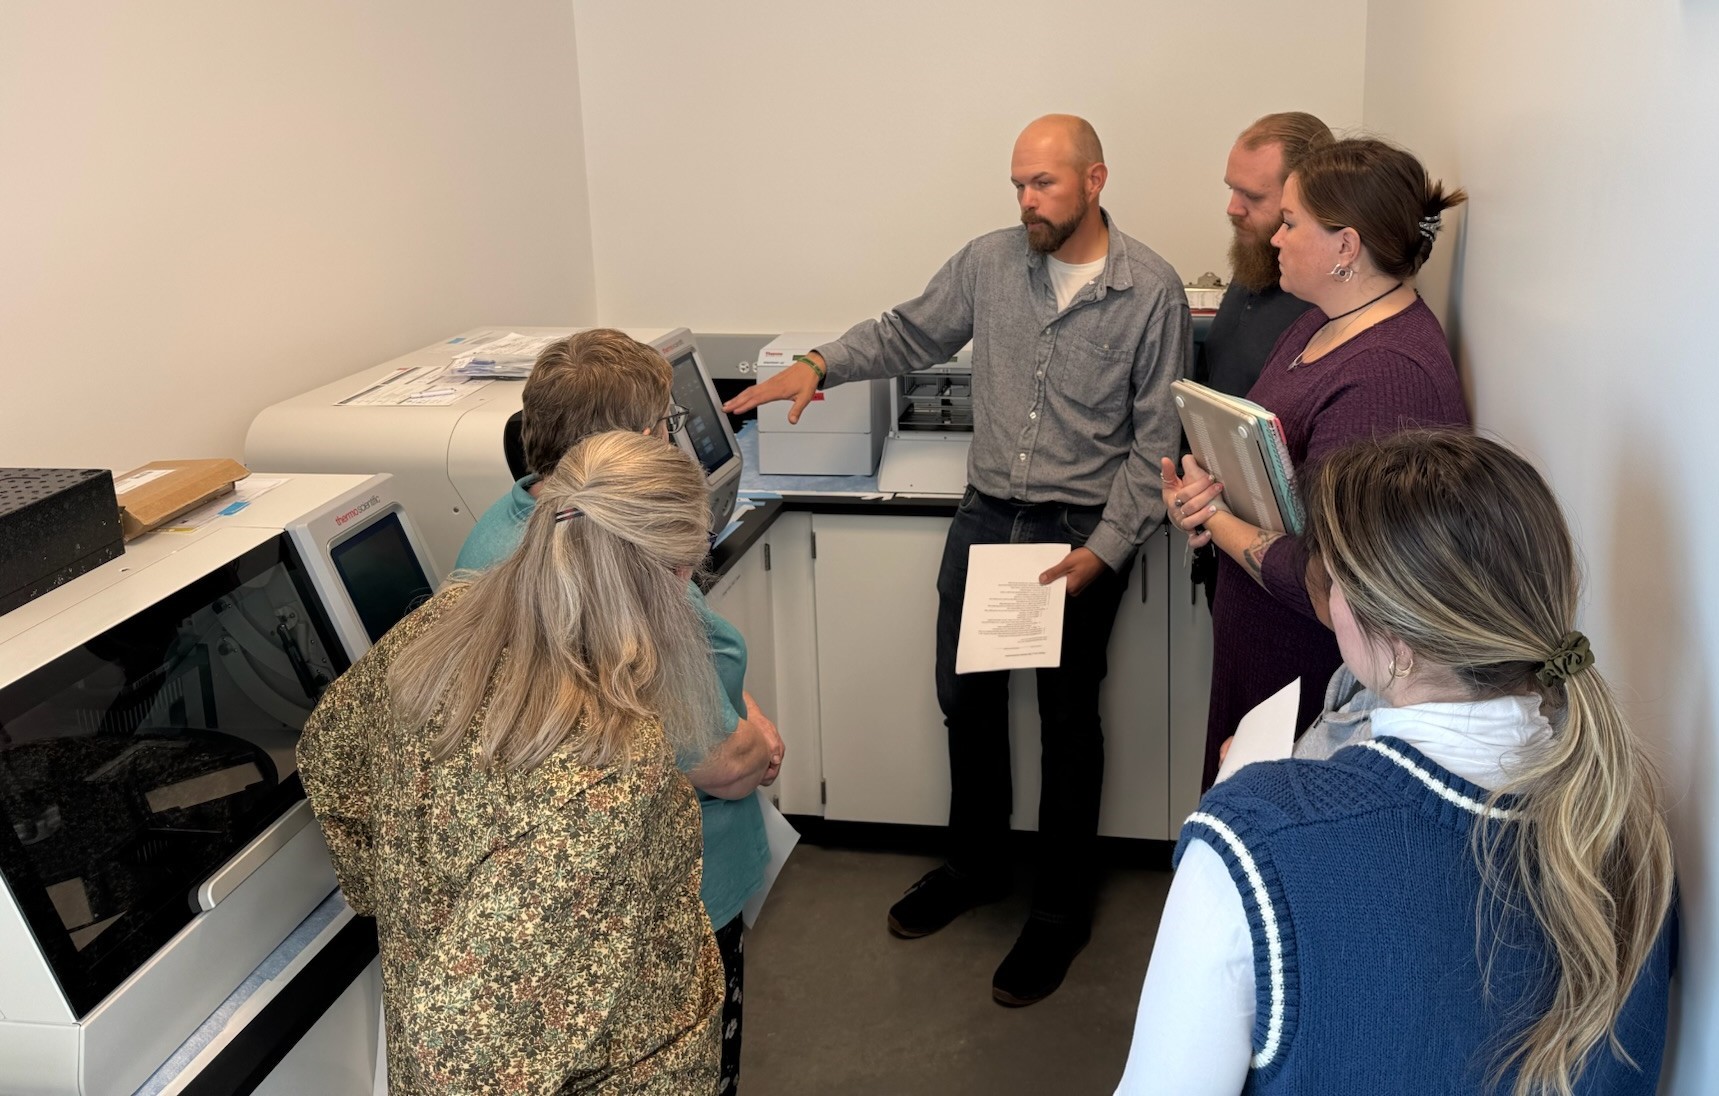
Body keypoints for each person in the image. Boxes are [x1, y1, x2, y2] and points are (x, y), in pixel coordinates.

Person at [724, 114, 1188, 1005]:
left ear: (1095, 180)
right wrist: (818, 363)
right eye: (1017, 183)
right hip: (988, 519)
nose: (1026, 201)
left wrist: (1108, 548)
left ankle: (1058, 908)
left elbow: (1152, 441)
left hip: (1077, 532)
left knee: (1065, 721)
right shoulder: (988, 262)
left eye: (1043, 184)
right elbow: (906, 335)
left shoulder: (1151, 291)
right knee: (966, 703)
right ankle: (974, 866)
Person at [1118, 430, 1678, 1094]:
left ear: (1393, 638)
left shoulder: (1251, 844)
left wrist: (1243, 797)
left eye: (1334, 584)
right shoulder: (1627, 829)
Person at [299, 431, 727, 1094]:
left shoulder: (440, 626)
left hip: (420, 999)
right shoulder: (607, 759)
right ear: (667, 575)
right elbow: (468, 1056)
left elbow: (328, 755)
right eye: (689, 568)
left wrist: (403, 899)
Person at [456, 328, 780, 1094]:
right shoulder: (608, 579)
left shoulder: (510, 526)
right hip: (670, 902)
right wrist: (758, 739)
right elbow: (721, 764)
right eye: (668, 424)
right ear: (635, 441)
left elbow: (688, 660)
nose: (679, 437)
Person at [1162, 136, 1471, 789]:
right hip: (1259, 640)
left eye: (1291, 221)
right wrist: (1202, 493)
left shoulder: (1388, 378)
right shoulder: (1317, 321)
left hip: (1313, 666)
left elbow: (1330, 583)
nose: (1275, 236)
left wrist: (1215, 520)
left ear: (1346, 247)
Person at [1188, 111, 1334, 605]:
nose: (1232, 208)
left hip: (1288, 577)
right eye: (1232, 189)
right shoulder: (1252, 267)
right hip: (1224, 546)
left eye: (1253, 197)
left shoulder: (1321, 303)